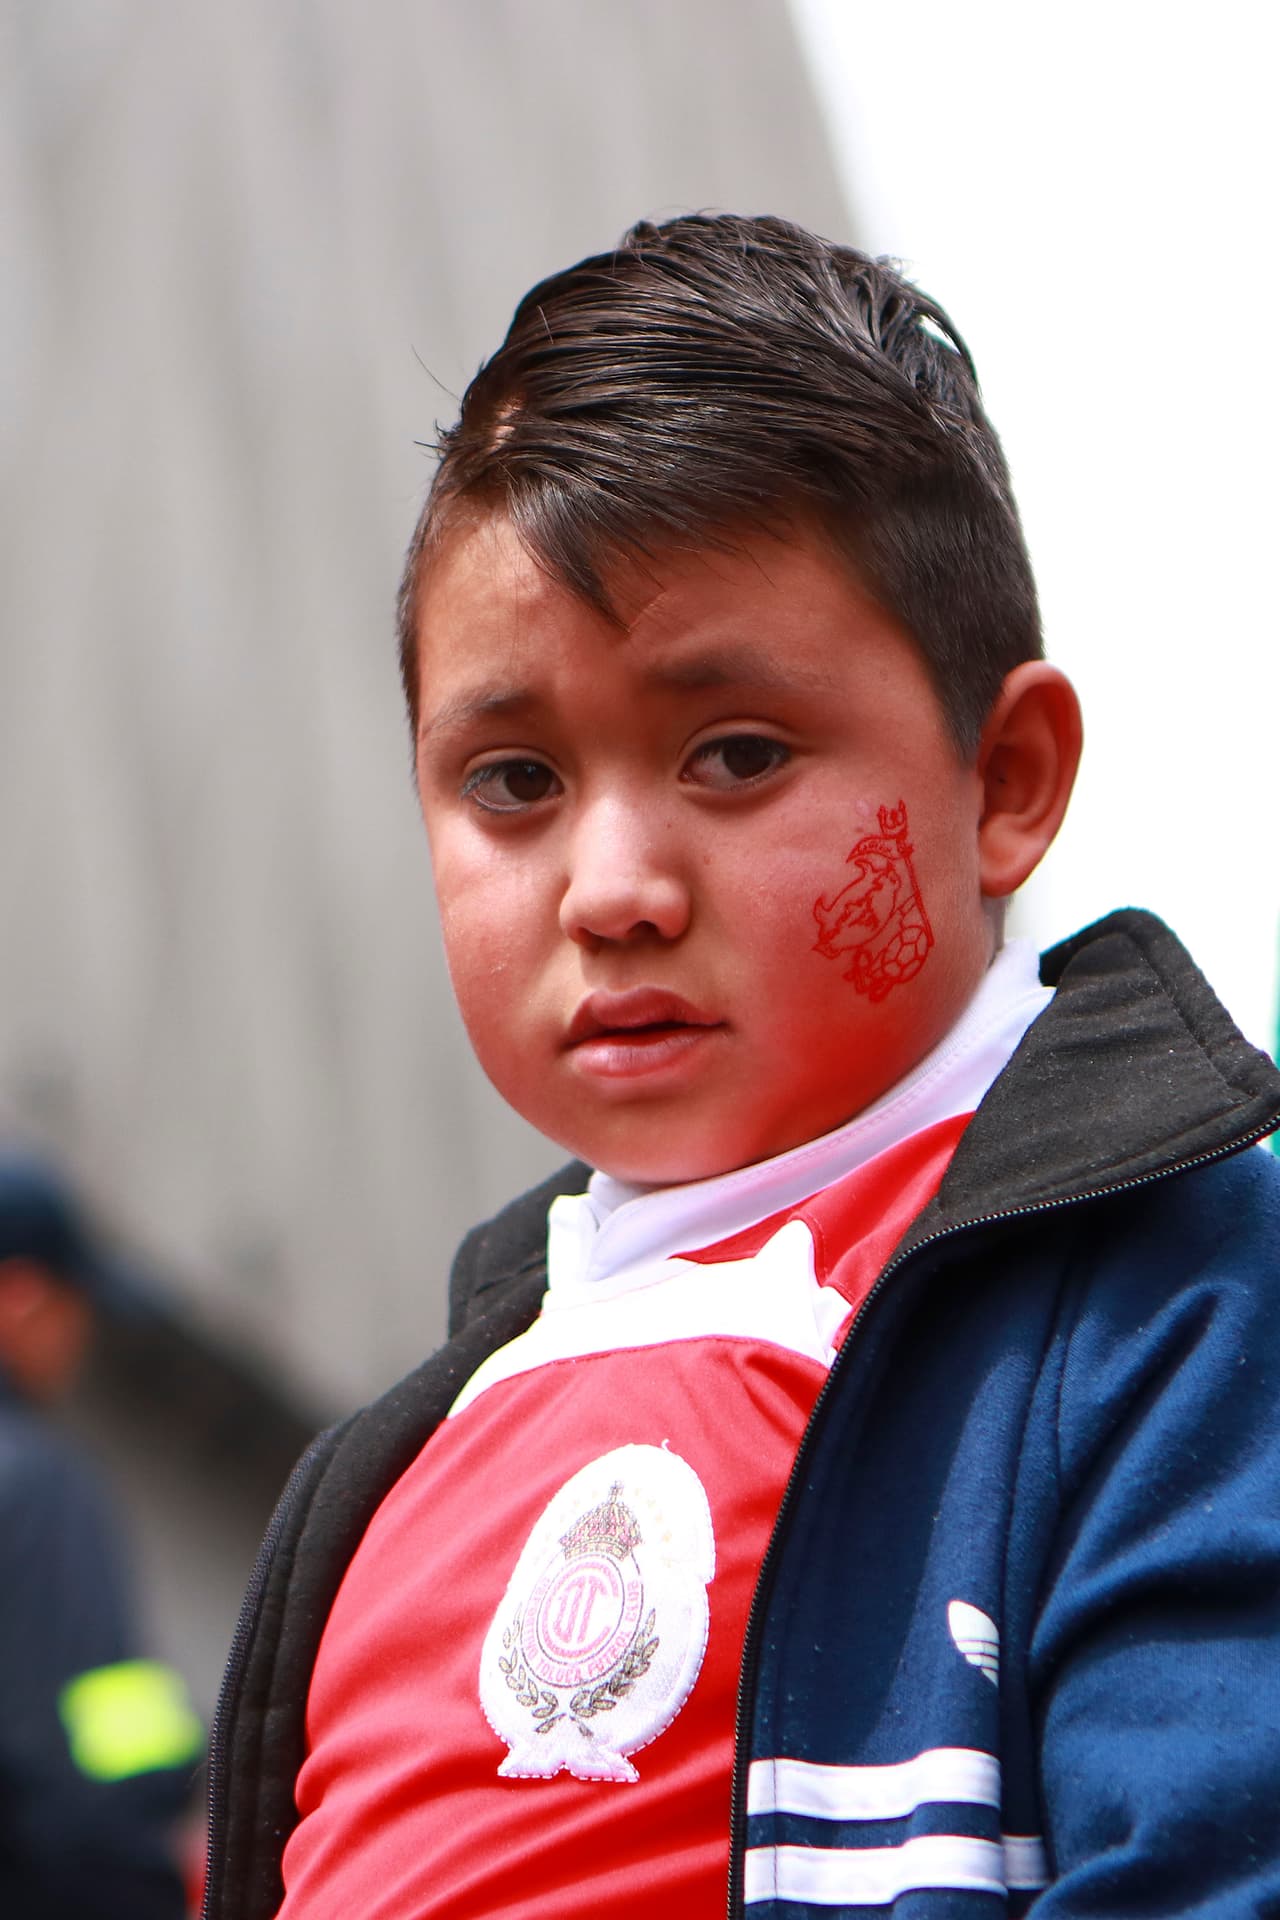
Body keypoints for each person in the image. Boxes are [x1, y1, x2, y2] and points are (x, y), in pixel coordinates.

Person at [203, 215, 1280, 1919]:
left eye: (737, 753)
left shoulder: (1174, 1304)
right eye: (512, 784)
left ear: (1004, 779)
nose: (614, 888)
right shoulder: (394, 1463)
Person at [0, 1151, 204, 1918]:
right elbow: (77, 1785)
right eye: (73, 1307)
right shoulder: (30, 1486)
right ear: (21, 1299)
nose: (78, 1340)